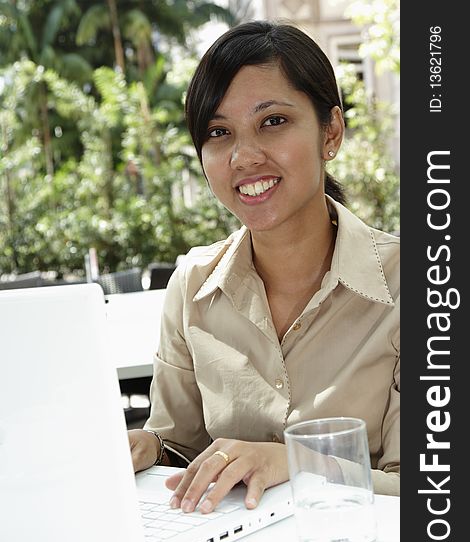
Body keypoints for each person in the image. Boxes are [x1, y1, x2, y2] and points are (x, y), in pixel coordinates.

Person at [128, 20, 400, 513]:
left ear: (331, 132)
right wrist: (150, 448)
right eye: (218, 132)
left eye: (273, 121)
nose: (244, 156)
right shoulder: (193, 285)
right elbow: (182, 448)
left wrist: (294, 463)